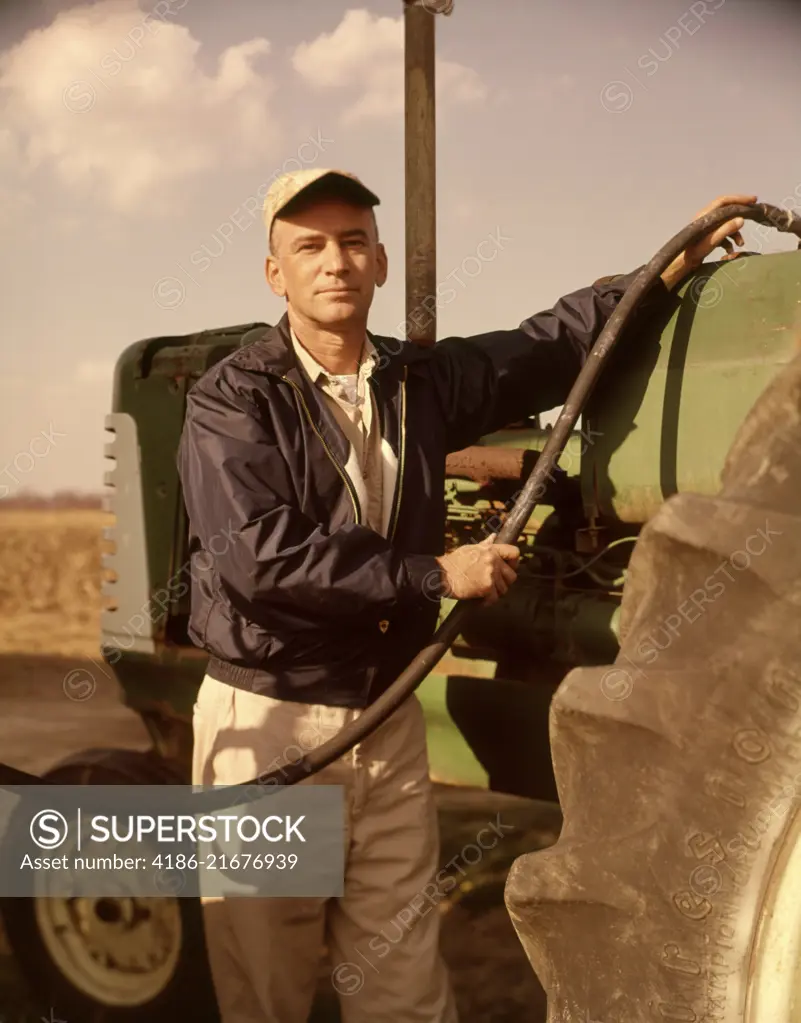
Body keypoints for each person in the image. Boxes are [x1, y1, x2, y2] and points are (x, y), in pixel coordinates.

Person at [177, 169, 755, 1023]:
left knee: (403, 984)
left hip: (388, 711)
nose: (333, 261)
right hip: (273, 726)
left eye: (351, 241)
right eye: (308, 246)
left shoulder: (417, 381)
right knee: (269, 987)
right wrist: (431, 575)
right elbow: (260, 559)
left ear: (377, 261)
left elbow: (547, 347)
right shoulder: (232, 398)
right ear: (276, 275)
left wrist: (663, 267)